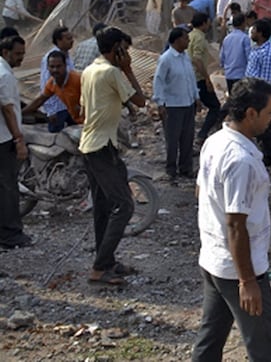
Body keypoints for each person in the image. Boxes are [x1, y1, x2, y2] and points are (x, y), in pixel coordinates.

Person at [192, 77, 271, 362]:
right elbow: (235, 224)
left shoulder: (215, 141)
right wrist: (247, 281)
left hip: (214, 259)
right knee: (267, 349)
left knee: (210, 339)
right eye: (270, 112)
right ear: (250, 114)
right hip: (238, 270)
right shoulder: (240, 160)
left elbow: (201, 192)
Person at [80, 26, 147, 285]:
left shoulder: (89, 70)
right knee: (125, 206)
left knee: (104, 207)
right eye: (125, 49)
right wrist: (128, 69)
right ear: (117, 48)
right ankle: (99, 267)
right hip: (102, 147)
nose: (127, 54)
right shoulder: (111, 72)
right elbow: (141, 101)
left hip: (92, 144)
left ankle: (106, 261)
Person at [153, 27, 201, 185]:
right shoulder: (166, 59)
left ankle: (186, 168)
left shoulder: (185, 56)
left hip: (187, 103)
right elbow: (158, 81)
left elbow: (191, 79)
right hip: (173, 105)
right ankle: (171, 169)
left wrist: (196, 97)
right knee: (173, 139)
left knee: (187, 137)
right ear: (177, 40)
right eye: (186, 38)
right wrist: (159, 103)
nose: (188, 41)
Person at [0, 35, 30, 249]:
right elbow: (8, 109)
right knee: (8, 187)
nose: (21, 58)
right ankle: (11, 234)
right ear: (5, 52)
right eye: (18, 54)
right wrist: (18, 139)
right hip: (4, 139)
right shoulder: (5, 76)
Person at [246, 19, 271, 170]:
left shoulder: (267, 51)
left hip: (261, 94)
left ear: (261, 33)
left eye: (254, 29)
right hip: (254, 92)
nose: (252, 32)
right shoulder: (257, 48)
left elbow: (267, 77)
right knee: (261, 128)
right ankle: (268, 156)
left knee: (266, 127)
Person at [25, 50, 83, 132]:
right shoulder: (52, 83)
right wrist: (20, 114)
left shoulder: (77, 80)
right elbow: (40, 100)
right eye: (52, 67)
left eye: (59, 66)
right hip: (76, 119)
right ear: (47, 67)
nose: (55, 70)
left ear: (65, 66)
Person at [189, 13, 223, 143]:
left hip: (190, 78)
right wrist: (207, 78)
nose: (209, 25)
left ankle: (190, 139)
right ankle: (202, 135)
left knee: (191, 110)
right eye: (208, 22)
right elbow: (197, 59)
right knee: (215, 106)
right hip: (198, 78)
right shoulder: (199, 38)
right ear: (203, 23)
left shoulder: (190, 35)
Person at [38, 26, 75, 123]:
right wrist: (51, 110)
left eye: (71, 38)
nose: (72, 41)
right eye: (68, 39)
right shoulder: (51, 59)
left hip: (68, 106)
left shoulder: (67, 56)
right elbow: (45, 84)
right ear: (59, 41)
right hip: (57, 108)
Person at [220, 13, 251, 94]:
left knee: (233, 100)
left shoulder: (227, 38)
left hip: (229, 74)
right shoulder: (245, 38)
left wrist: (224, 67)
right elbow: (249, 57)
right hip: (242, 75)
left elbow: (222, 57)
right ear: (243, 23)